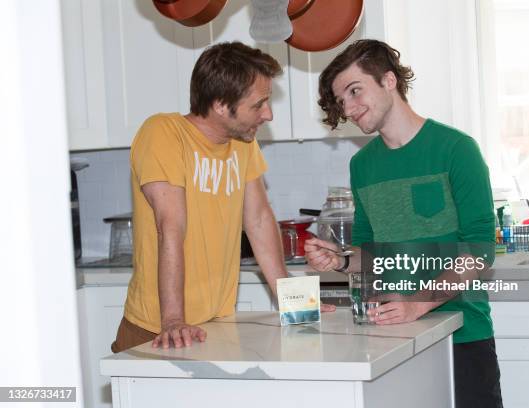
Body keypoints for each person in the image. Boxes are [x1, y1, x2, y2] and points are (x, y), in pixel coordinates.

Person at [305, 39, 503, 408]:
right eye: (341, 100)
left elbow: (479, 250)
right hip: (389, 342)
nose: (348, 107)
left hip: (461, 336)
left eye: (354, 90)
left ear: (389, 81)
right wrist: (342, 260)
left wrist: (417, 303)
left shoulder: (456, 149)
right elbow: (372, 252)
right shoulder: (362, 166)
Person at [111, 42, 334, 353]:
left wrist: (294, 300)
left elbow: (258, 220)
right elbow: (170, 227)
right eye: (258, 105)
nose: (267, 114)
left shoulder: (242, 142)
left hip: (214, 325)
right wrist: (173, 321)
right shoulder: (163, 132)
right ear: (219, 104)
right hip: (156, 330)